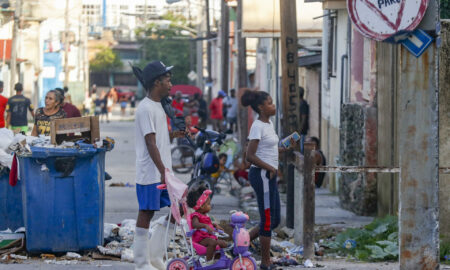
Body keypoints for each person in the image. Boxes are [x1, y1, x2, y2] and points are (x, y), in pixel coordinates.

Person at [132, 60, 185, 270]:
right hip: (151, 172)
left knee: (177, 207)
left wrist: (174, 134)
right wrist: (163, 170)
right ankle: (141, 263)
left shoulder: (158, 106)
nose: (171, 83)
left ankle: (155, 257)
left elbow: (159, 138)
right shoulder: (145, 108)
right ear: (157, 82)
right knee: (146, 213)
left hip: (163, 170)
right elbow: (150, 142)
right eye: (167, 80)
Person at [241, 89, 295, 270]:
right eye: (270, 103)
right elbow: (250, 155)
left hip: (269, 175)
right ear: (261, 107)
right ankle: (265, 262)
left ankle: (242, 242)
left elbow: (269, 149)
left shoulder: (269, 124)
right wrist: (270, 167)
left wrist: (285, 147)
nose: (274, 105)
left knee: (275, 219)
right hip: (262, 175)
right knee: (267, 219)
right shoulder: (257, 126)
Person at [187, 187, 228, 264]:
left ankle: (217, 260)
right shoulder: (196, 215)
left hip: (208, 237)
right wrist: (205, 226)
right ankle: (208, 262)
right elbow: (195, 224)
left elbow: (209, 224)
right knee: (212, 242)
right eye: (208, 204)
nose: (210, 206)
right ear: (202, 206)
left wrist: (215, 226)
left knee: (223, 243)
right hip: (200, 239)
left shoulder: (205, 215)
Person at [299, 86, 309, 154]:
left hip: (302, 131)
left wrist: (300, 129)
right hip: (300, 130)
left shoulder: (303, 104)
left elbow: (303, 117)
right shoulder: (300, 103)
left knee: (301, 147)